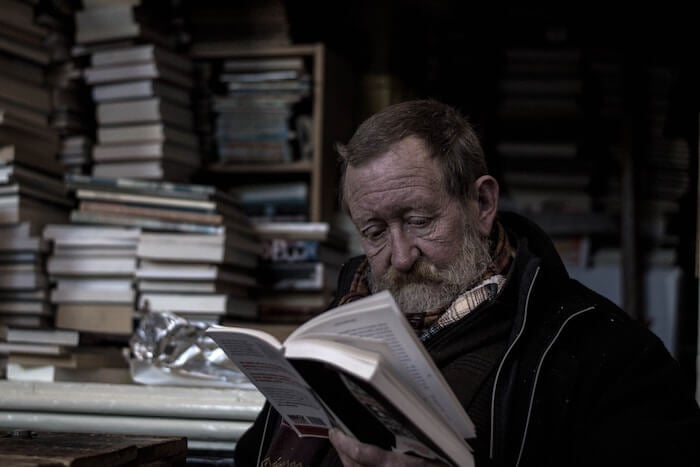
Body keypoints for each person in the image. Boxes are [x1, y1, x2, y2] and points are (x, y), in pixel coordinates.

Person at [234, 99, 700, 466]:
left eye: (419, 221)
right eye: (374, 232)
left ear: (482, 204)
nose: (400, 256)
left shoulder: (609, 354)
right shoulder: (335, 330)